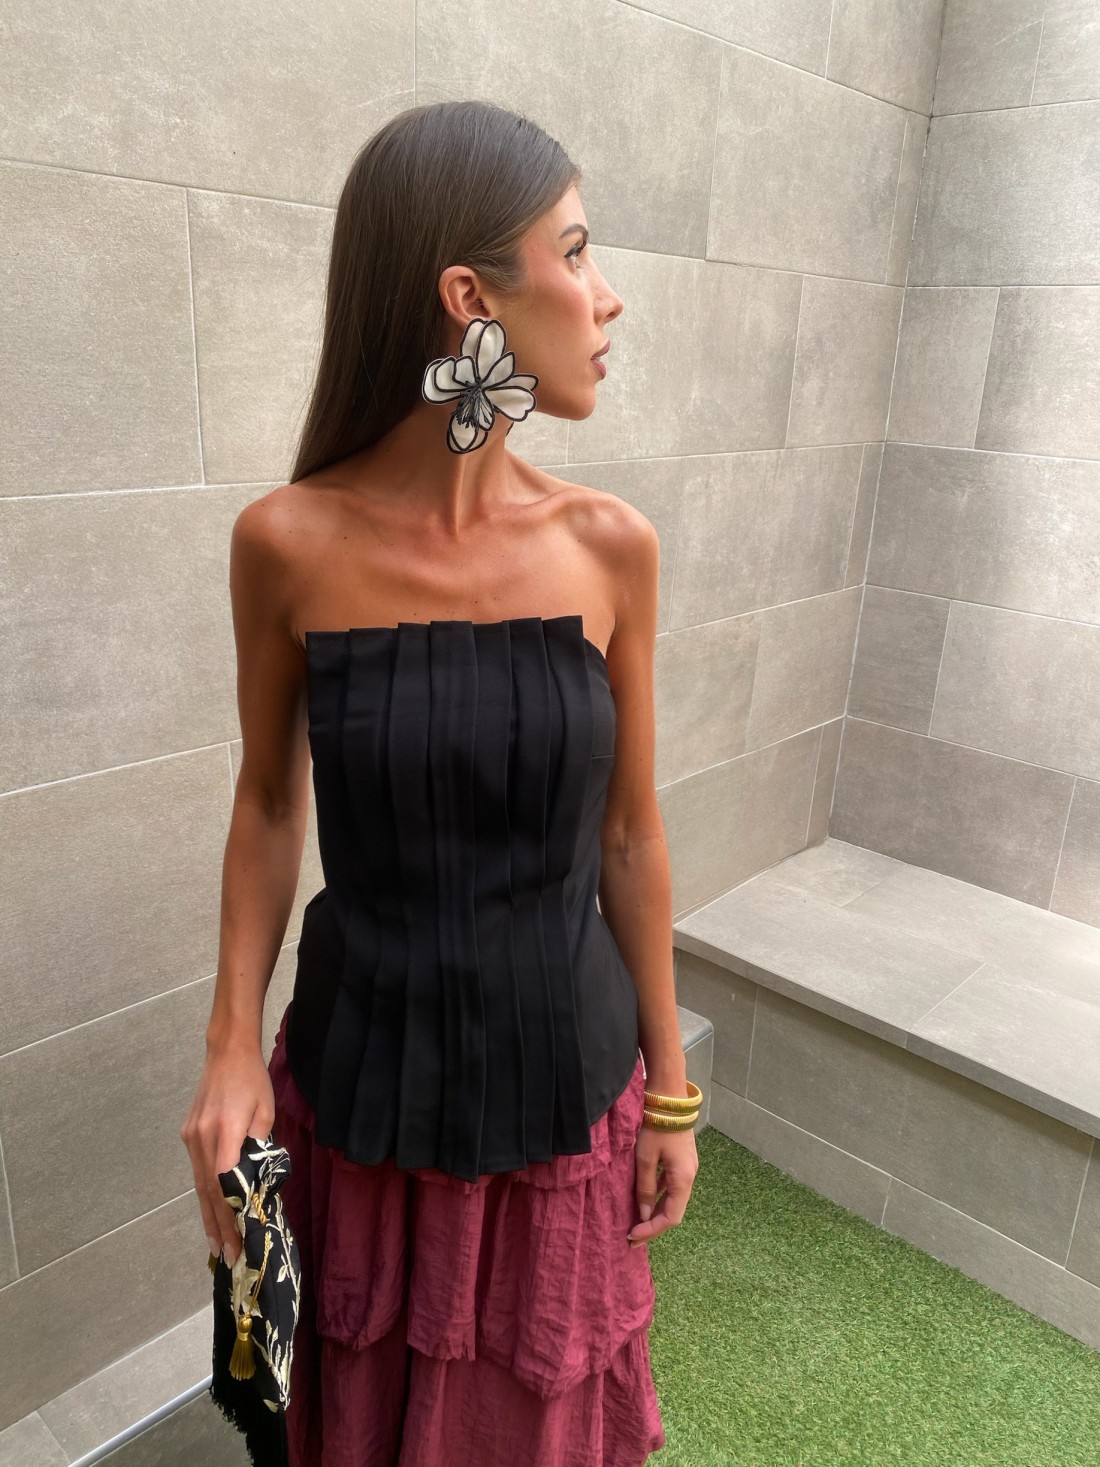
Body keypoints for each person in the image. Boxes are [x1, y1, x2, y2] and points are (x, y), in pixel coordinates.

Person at [181, 98, 700, 1467]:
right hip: (354, 1101)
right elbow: (270, 802)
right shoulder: (286, 543)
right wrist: (229, 1046)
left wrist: (671, 1089)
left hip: (565, 1104)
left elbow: (631, 837)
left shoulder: (612, 546)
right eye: (575, 253)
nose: (607, 296)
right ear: (471, 298)